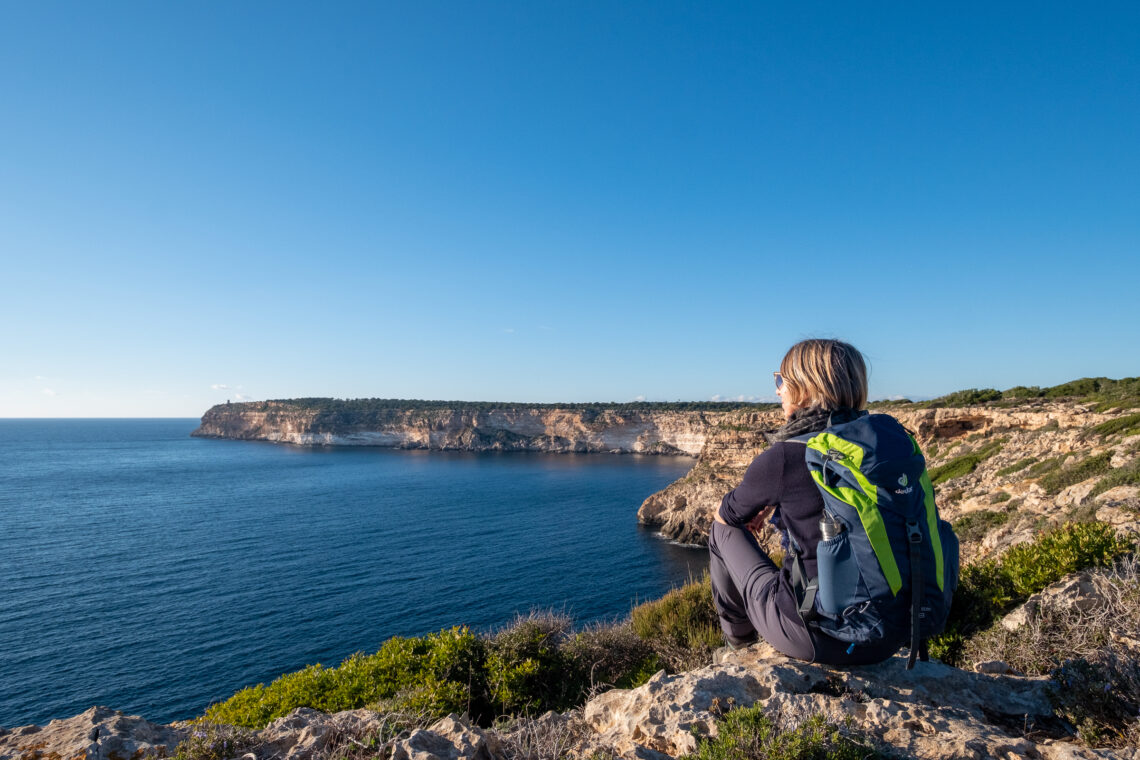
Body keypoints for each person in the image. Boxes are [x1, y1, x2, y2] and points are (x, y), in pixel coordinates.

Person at [708, 338, 901, 665]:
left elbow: (727, 515)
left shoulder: (785, 456)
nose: (778, 390)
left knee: (720, 531)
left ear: (807, 389)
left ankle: (737, 646)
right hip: (889, 636)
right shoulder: (889, 443)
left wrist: (768, 496)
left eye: (782, 380)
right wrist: (777, 501)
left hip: (818, 638)